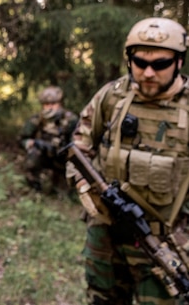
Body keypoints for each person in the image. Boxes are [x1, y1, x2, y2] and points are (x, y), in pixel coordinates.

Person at [69, 17, 189, 304]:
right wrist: (87, 190)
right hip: (107, 233)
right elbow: (78, 147)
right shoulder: (112, 97)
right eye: (139, 62)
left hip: (166, 241)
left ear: (179, 62)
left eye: (160, 64)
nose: (148, 72)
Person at [19, 86, 78, 193]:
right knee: (32, 156)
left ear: (60, 104)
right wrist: (34, 143)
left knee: (65, 190)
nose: (50, 107)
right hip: (44, 155)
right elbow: (22, 139)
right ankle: (36, 184)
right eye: (47, 104)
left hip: (64, 158)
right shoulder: (36, 120)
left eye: (53, 104)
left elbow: (78, 143)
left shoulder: (71, 120)